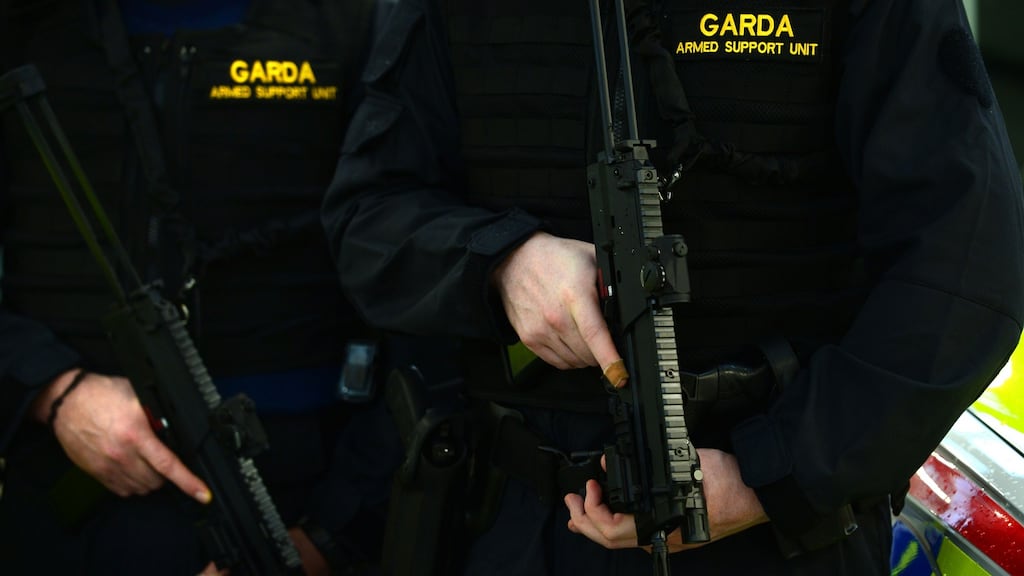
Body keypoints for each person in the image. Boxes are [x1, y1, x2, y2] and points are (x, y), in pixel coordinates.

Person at [322, 0, 1024, 574]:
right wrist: (502, 264)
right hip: (517, 521)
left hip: (775, 531)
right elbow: (368, 215)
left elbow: (969, 269)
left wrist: (773, 472)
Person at [0, 0, 406, 574]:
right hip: (68, 498)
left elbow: (422, 301)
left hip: (298, 495)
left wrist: (327, 538)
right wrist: (50, 389)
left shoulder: (358, 20)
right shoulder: (25, 28)